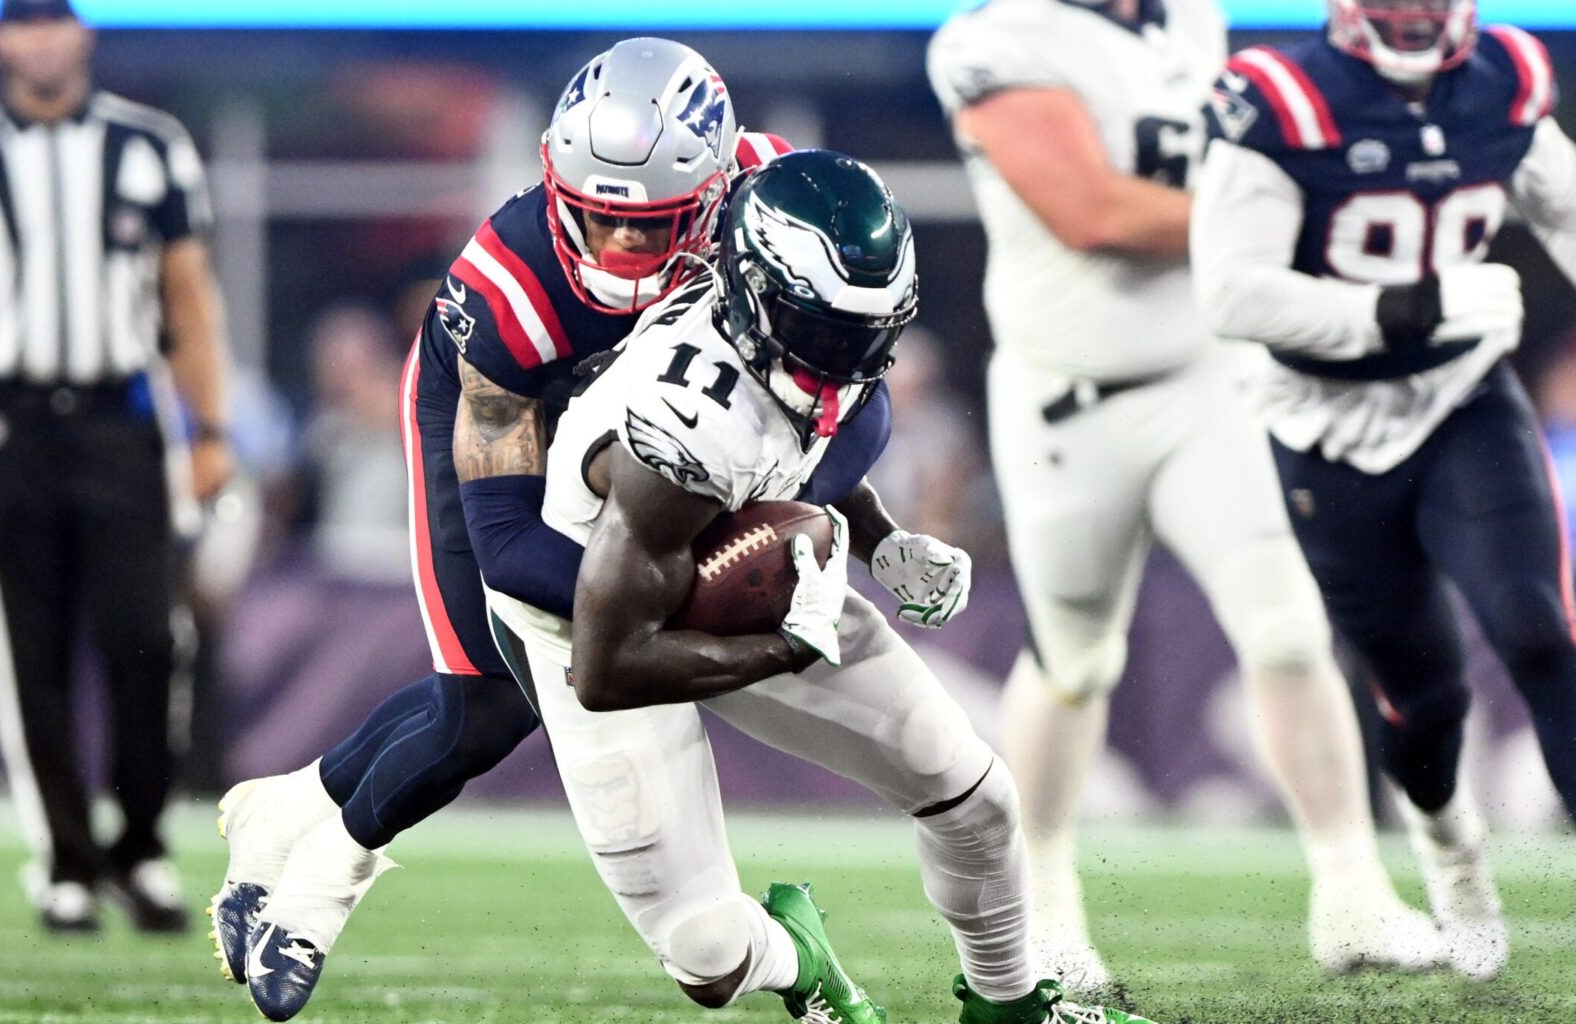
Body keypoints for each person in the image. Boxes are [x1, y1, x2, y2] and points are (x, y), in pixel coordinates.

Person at [209, 39, 827, 1020]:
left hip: (622, 427)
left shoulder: (768, 208)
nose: (618, 253)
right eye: (593, 218)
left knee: (495, 705)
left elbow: (854, 384)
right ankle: (316, 888)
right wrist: (656, 592)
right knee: (484, 705)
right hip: (500, 418)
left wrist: (807, 490)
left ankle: (281, 809)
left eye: (649, 227)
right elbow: (503, 546)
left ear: (712, 198)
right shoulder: (508, 295)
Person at [488, 150, 1152, 1024]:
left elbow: (796, 455)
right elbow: (609, 668)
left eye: (872, 333)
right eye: (835, 335)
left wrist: (883, 543)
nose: (857, 357)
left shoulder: (813, 348)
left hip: (741, 568)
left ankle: (1012, 1004)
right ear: (757, 297)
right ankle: (800, 959)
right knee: (708, 955)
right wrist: (785, 643)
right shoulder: (685, 437)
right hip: (588, 624)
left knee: (976, 798)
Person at [927, 0, 1445, 988]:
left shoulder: (1194, 18)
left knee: (1289, 626)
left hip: (1212, 378)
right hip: (1068, 398)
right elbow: (1093, 212)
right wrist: (1293, 222)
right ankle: (1044, 903)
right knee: (1075, 656)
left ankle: (1352, 892)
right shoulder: (995, 37)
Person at [1191, 0, 1576, 980]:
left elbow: (1566, 209)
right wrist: (1407, 305)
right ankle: (1451, 850)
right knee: (1425, 695)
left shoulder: (1506, 75)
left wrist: (1440, 318)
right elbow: (1232, 292)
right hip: (1325, 423)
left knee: (1539, 629)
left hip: (1461, 397)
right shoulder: (1282, 96)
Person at [0, 0, 234, 933]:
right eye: (23, 20)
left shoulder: (150, 145)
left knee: (145, 641)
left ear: (83, 34)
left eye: (57, 18)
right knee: (30, 654)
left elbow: (188, 298)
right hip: (12, 421)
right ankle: (67, 862)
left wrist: (212, 430)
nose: (41, 37)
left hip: (123, 417)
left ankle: (144, 846)